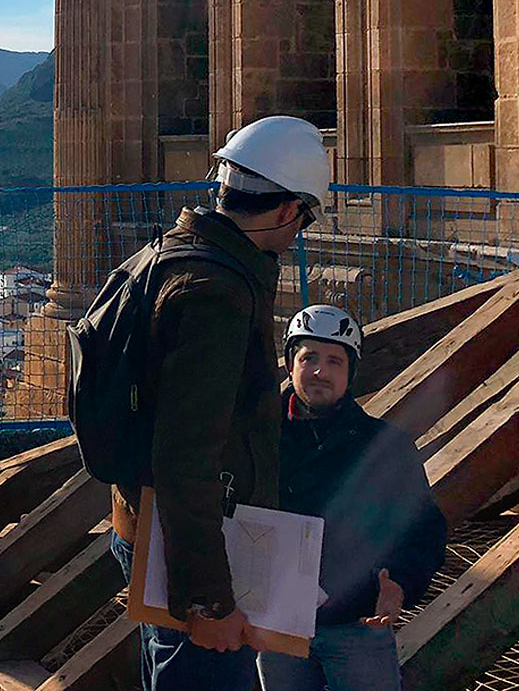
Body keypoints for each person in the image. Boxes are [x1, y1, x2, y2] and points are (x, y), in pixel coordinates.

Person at [108, 115, 331, 691]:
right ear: (287, 210)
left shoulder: (176, 253)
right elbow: (186, 458)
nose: (299, 233)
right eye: (304, 218)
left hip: (150, 526)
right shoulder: (219, 294)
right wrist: (206, 601)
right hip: (190, 548)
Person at [257, 305, 447, 691]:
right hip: (277, 626)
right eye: (308, 357)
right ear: (290, 363)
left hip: (357, 625)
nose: (319, 372)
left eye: (334, 361)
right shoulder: (255, 440)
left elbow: (423, 528)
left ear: (351, 372)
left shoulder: (384, 448)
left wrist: (401, 584)